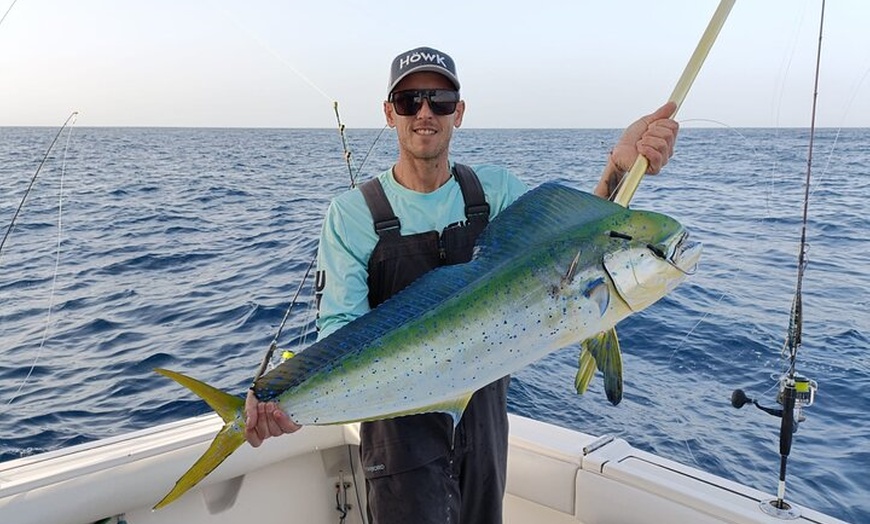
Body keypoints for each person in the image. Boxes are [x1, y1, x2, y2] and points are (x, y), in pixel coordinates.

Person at [245, 45, 679, 523]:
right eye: (409, 101)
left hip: (485, 430)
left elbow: (572, 256)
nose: (425, 113)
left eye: (440, 100)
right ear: (389, 114)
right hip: (397, 441)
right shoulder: (351, 214)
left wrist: (618, 169)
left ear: (459, 112)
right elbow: (339, 331)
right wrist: (285, 392)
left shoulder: (496, 191)